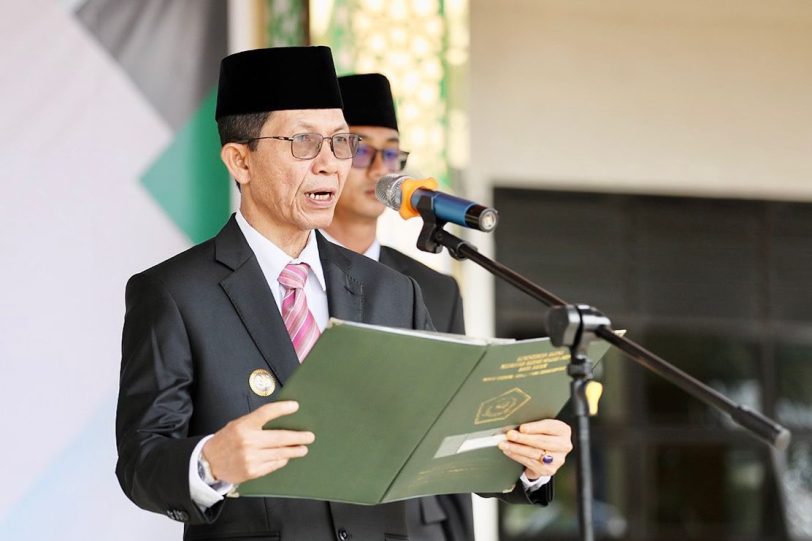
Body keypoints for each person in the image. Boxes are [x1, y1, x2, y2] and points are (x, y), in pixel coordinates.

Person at [116, 47, 572, 540]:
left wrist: (529, 459)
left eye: (340, 143)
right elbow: (141, 460)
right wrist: (211, 462)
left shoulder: (394, 291)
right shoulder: (175, 292)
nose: (330, 165)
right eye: (304, 143)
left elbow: (445, 434)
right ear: (240, 160)